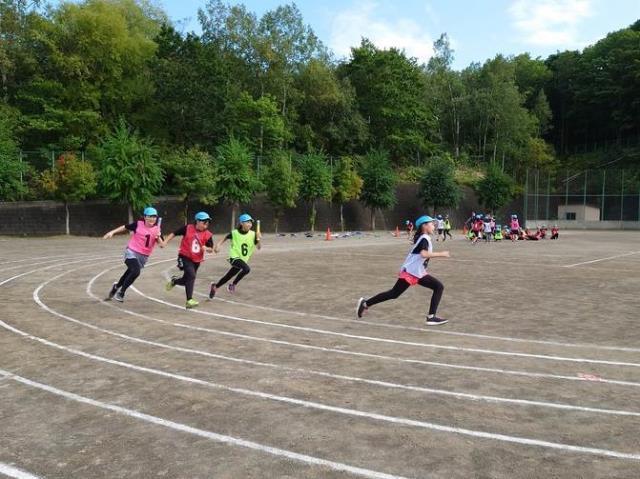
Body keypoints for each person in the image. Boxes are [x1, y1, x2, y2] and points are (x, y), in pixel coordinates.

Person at [356, 215, 450, 326]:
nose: (434, 225)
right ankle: (431, 317)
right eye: (431, 223)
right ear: (424, 226)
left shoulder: (423, 237)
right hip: (412, 272)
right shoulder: (424, 238)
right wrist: (441, 254)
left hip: (416, 272)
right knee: (437, 287)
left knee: (395, 293)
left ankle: (366, 303)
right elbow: (423, 254)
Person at [103, 207, 164, 302]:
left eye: (154, 217)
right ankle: (121, 293)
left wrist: (159, 237)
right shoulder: (138, 224)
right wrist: (112, 232)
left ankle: (116, 286)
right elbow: (125, 227)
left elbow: (162, 245)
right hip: (131, 251)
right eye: (150, 216)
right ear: (144, 217)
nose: (152, 219)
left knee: (129, 272)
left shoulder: (157, 229)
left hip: (143, 256)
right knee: (136, 271)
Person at [164, 211, 214, 309]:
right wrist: (165, 242)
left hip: (197, 260)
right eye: (204, 222)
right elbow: (174, 233)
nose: (206, 224)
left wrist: (206, 248)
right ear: (197, 221)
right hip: (184, 256)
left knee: (187, 279)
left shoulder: (208, 234)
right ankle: (189, 300)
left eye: (208, 222)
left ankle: (174, 281)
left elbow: (211, 249)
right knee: (191, 275)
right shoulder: (188, 228)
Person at [209, 213, 261, 298]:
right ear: (241, 223)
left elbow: (259, 247)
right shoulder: (235, 233)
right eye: (247, 222)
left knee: (228, 276)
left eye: (250, 222)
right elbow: (224, 238)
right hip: (234, 257)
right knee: (247, 269)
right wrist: (218, 245)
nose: (250, 224)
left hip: (243, 259)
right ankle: (233, 285)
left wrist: (258, 239)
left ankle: (215, 286)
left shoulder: (253, 234)